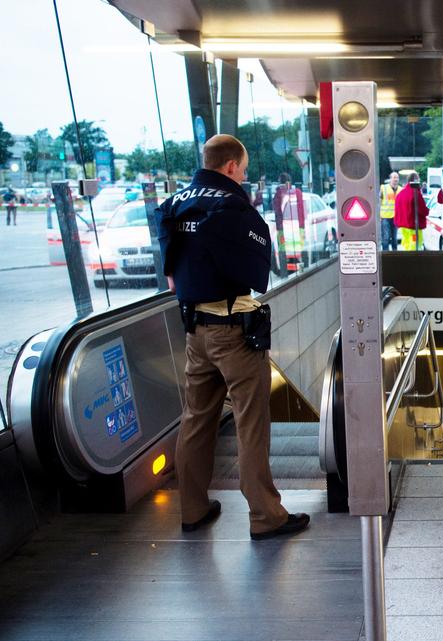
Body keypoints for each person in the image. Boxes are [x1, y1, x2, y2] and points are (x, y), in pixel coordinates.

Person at [155, 134, 310, 540]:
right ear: (229, 166)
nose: (242, 176)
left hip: (195, 331)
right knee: (251, 423)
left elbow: (172, 273)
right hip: (233, 332)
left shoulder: (174, 205)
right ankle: (265, 516)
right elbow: (254, 275)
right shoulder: (229, 205)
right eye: (241, 169)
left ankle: (192, 509)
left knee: (195, 420)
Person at [394, 171, 428, 251]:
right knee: (415, 244)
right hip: (413, 226)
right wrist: (427, 211)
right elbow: (423, 210)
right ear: (415, 180)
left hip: (403, 226)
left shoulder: (400, 194)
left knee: (406, 244)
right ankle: (413, 261)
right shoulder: (415, 193)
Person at [379, 172, 401, 251]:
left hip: (396, 217)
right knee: (386, 237)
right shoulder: (383, 188)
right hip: (385, 216)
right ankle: (385, 254)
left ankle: (395, 254)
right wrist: (378, 215)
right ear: (390, 179)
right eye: (394, 177)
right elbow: (379, 202)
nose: (395, 179)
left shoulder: (400, 189)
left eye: (397, 177)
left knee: (394, 238)